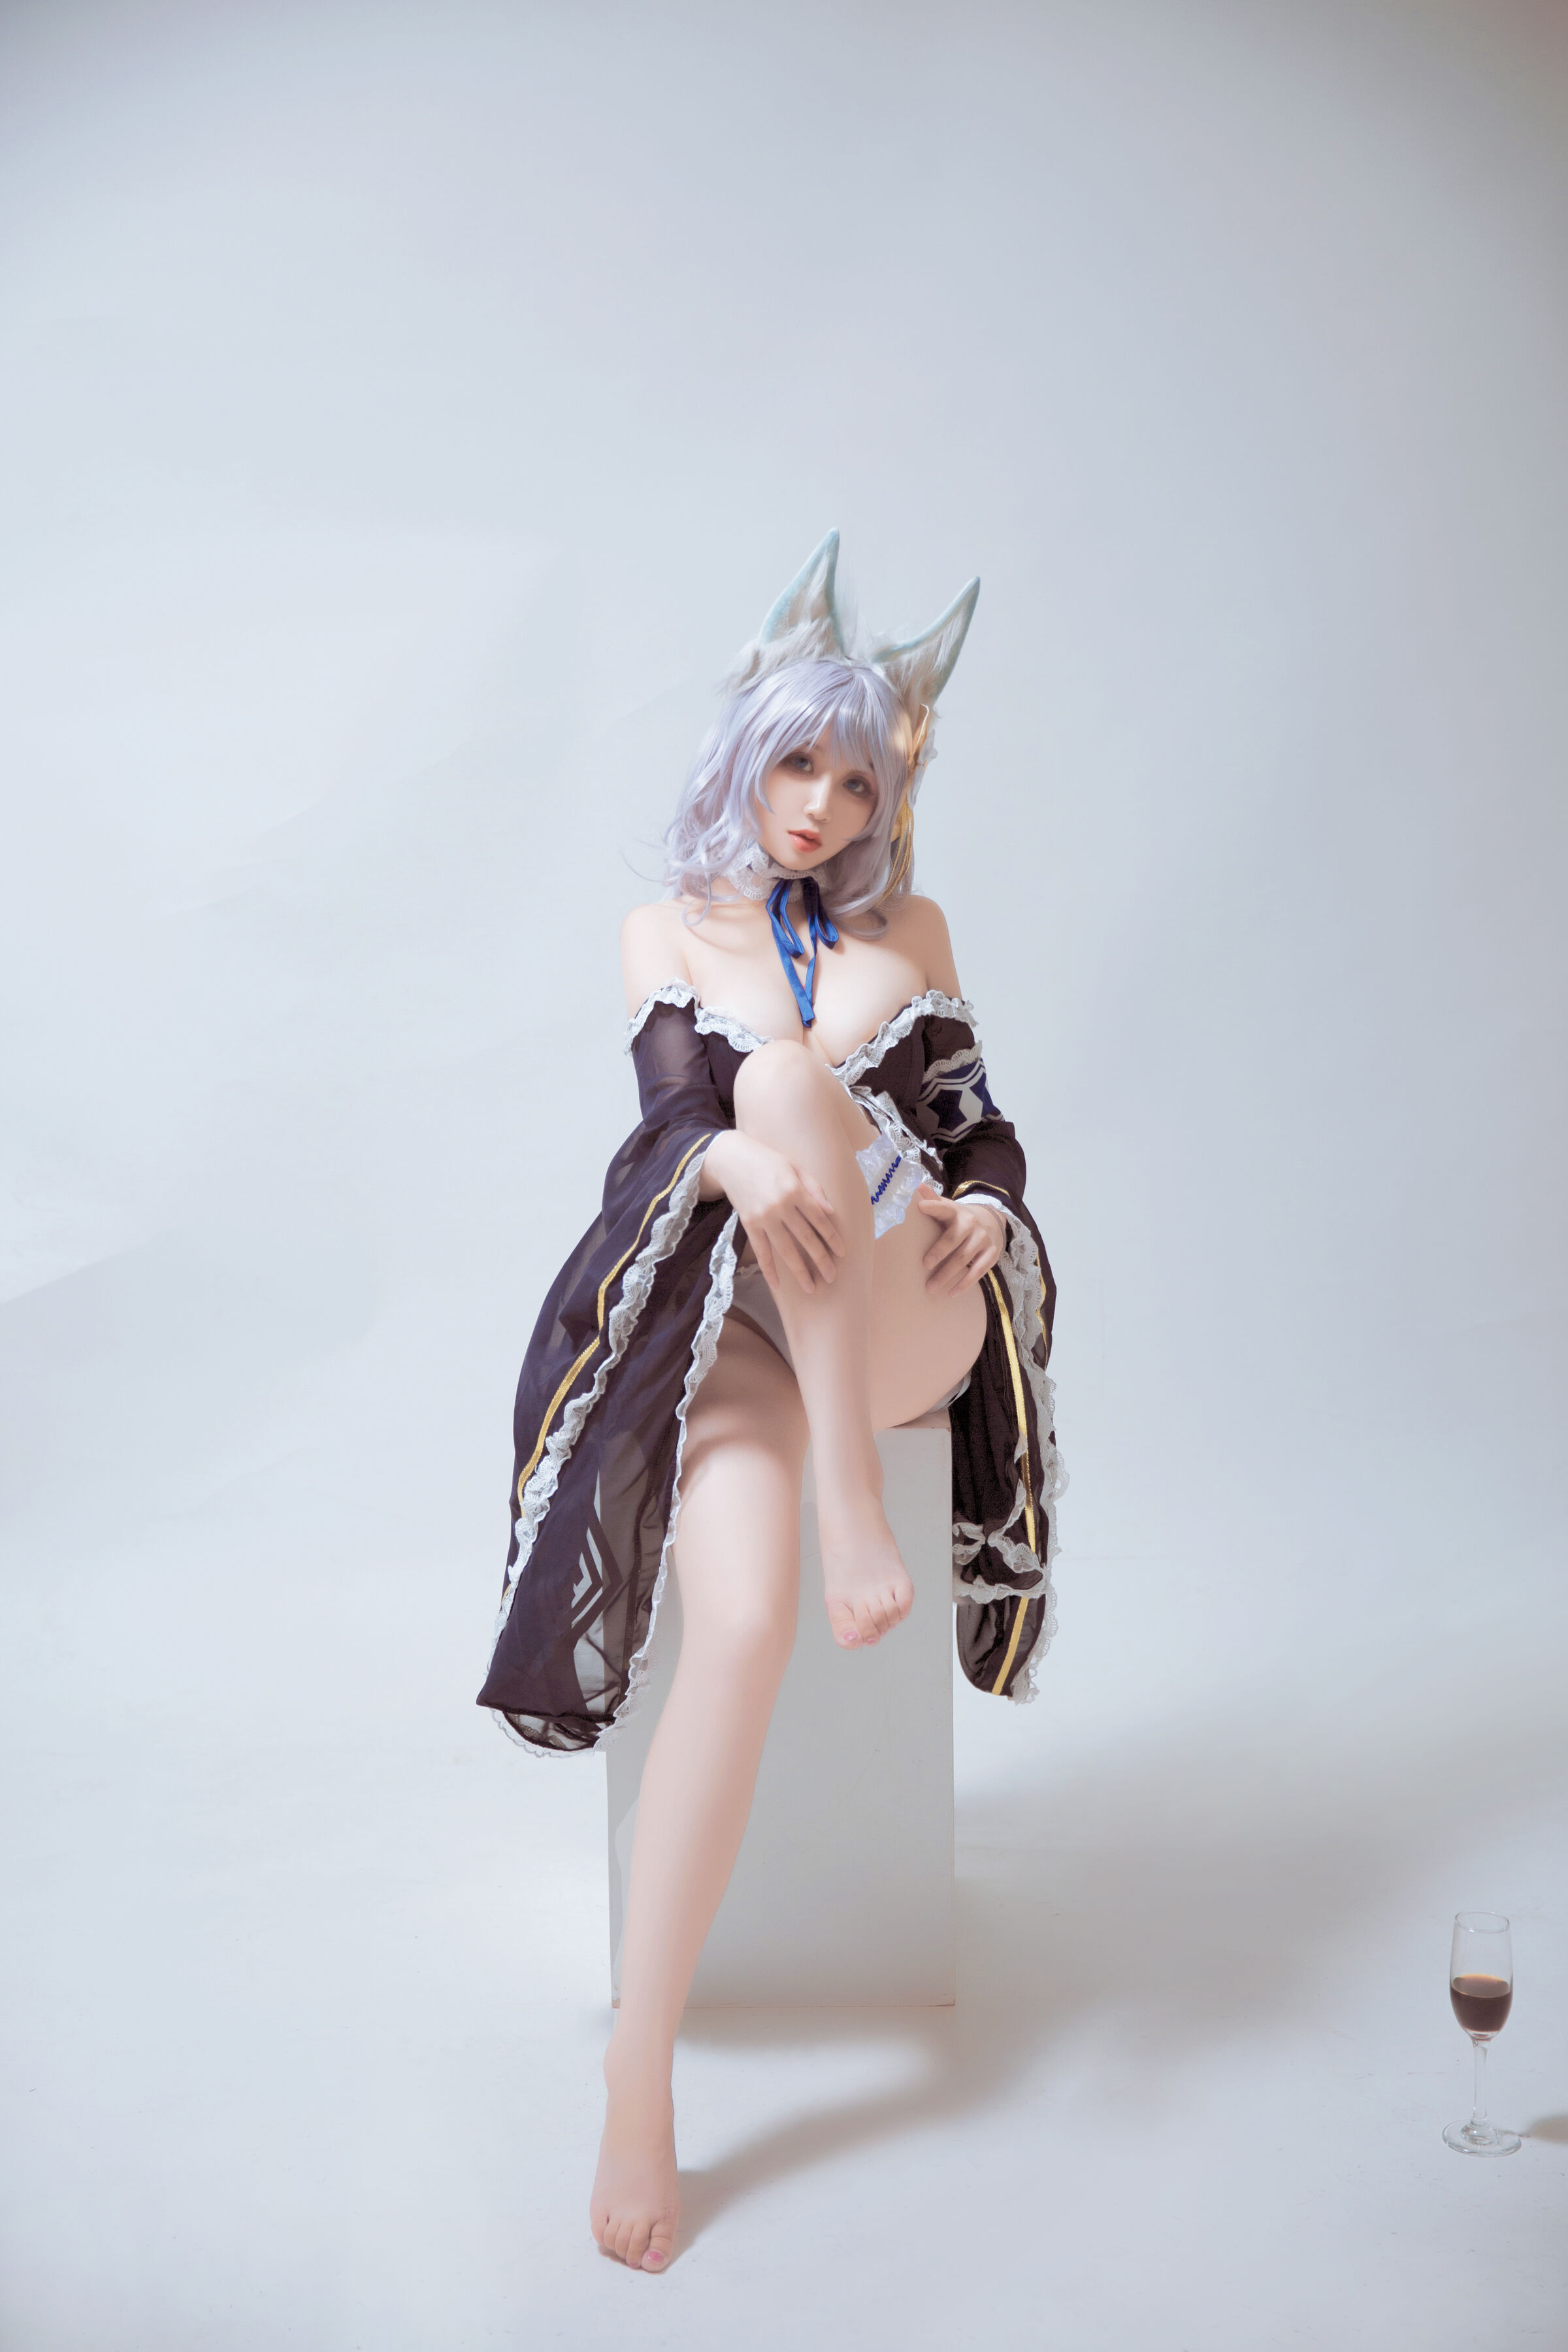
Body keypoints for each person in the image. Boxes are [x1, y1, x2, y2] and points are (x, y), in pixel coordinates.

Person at [476, 532, 1062, 2271]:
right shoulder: (666, 930)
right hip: (745, 1326)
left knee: (800, 1084)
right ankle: (640, 2070)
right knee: (733, 1630)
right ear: (746, 752)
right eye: (798, 762)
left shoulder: (914, 930)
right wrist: (726, 1151)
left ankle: (856, 1516)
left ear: (889, 796)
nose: (820, 804)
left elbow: (979, 1130)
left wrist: (984, 1207)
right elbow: (676, 1119)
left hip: (900, 1311)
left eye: (856, 779)